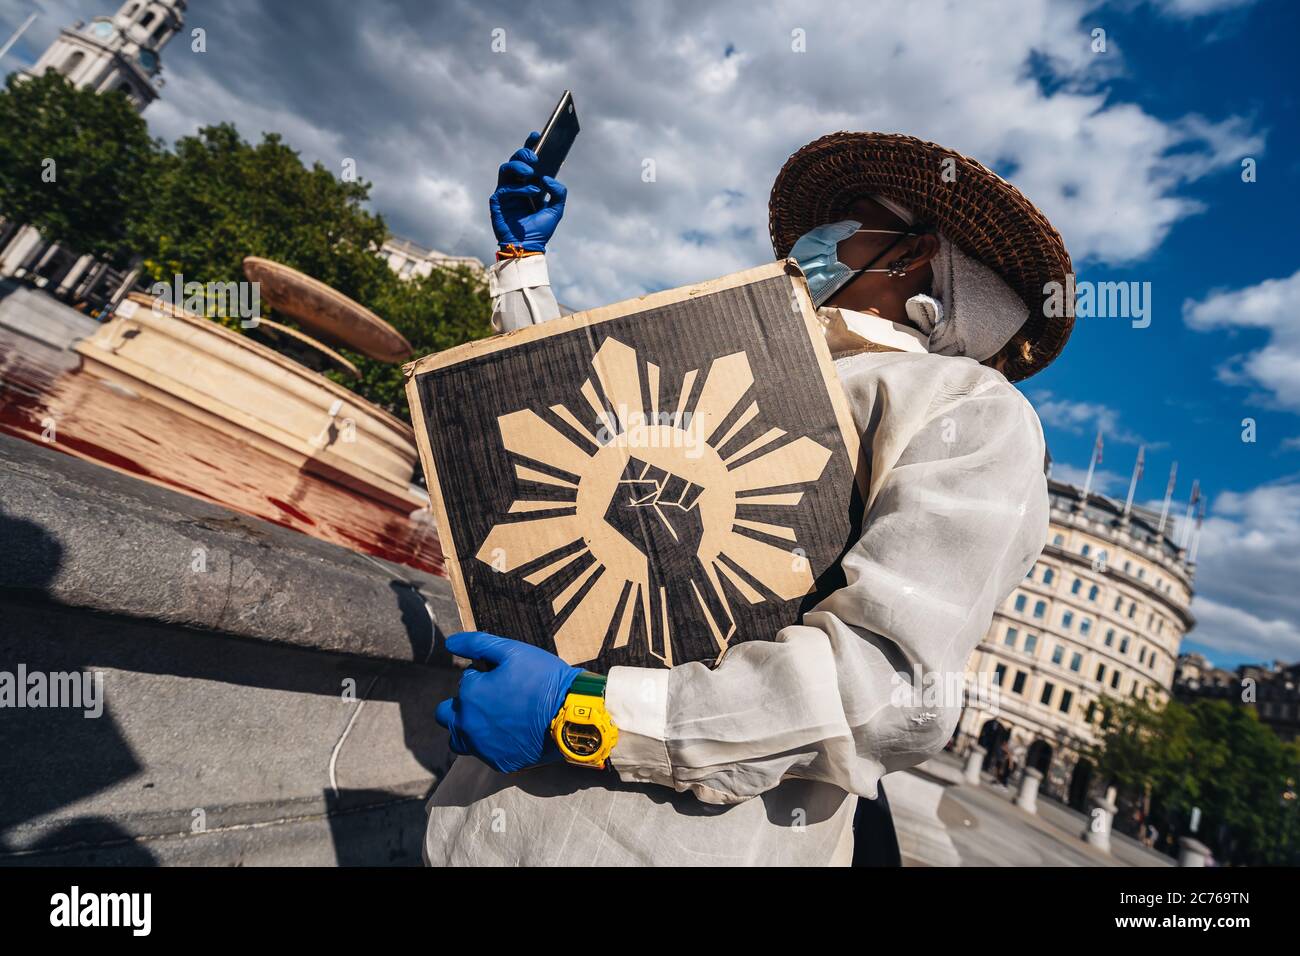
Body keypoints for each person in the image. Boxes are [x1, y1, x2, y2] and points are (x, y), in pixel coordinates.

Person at [424, 130, 1073, 866]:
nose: (807, 241)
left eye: (846, 219)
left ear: (915, 252)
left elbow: (884, 685)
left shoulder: (968, 408)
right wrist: (521, 270)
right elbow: (579, 432)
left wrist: (584, 713)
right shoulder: (757, 357)